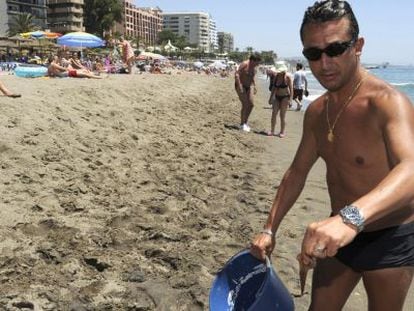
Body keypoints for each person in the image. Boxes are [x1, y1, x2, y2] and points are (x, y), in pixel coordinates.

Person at [250, 1, 414, 310]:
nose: (324, 63)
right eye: (314, 53)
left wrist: (350, 219)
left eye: (336, 49)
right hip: (337, 230)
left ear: (358, 46)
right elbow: (297, 172)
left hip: (389, 235)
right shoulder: (317, 111)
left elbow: (411, 167)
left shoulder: (387, 103)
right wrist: (269, 229)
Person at [234, 53, 262, 132]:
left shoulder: (254, 68)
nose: (258, 64)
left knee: (251, 104)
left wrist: (255, 86)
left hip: (249, 86)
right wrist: (240, 87)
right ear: (253, 60)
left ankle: (245, 122)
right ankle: (242, 125)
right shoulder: (245, 64)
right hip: (241, 86)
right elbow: (237, 75)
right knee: (245, 104)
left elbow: (252, 76)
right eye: (257, 62)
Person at [267, 63, 293, 137]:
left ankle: (282, 132)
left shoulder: (287, 77)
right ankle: (272, 131)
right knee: (274, 114)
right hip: (277, 97)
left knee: (282, 115)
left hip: (285, 97)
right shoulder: (276, 77)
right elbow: (273, 89)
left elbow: (291, 90)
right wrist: (270, 98)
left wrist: (290, 100)